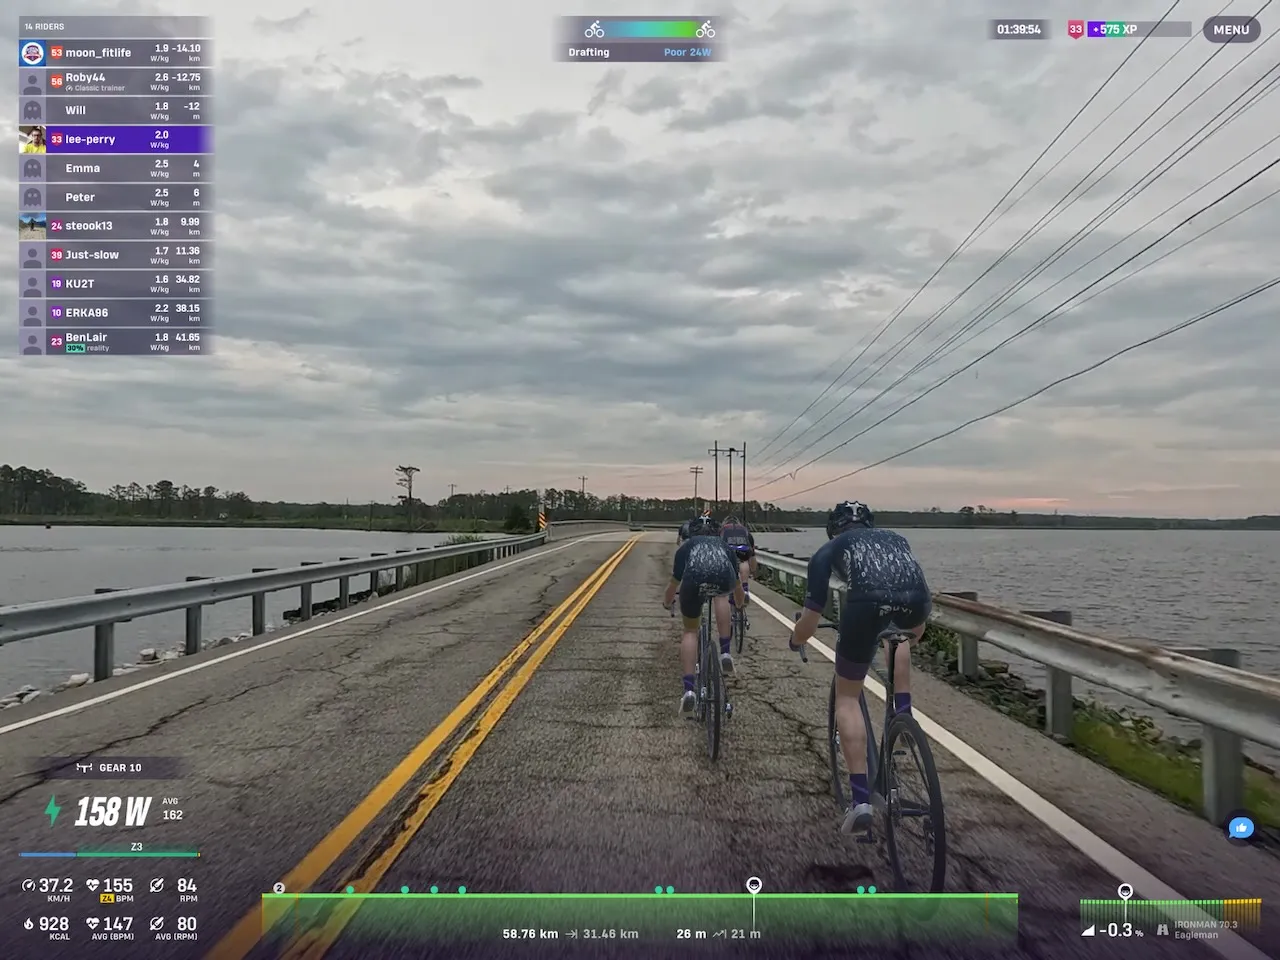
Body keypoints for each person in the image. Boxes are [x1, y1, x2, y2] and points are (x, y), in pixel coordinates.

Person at [788, 500, 931, 833]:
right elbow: (918, 614)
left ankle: (861, 802)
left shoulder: (829, 550)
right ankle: (902, 715)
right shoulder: (896, 540)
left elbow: (810, 620)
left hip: (864, 607)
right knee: (901, 638)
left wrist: (797, 641)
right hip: (916, 605)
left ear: (833, 529)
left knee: (848, 697)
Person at [663, 515, 745, 714]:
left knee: (690, 631)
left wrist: (667, 602)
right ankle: (725, 651)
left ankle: (689, 690)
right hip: (724, 580)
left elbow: (673, 585)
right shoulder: (725, 546)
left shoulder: (686, 547)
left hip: (693, 582)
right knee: (723, 598)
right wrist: (740, 604)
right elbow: (738, 586)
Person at [719, 515, 757, 608]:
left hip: (727, 552)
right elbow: (752, 555)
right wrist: (753, 570)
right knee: (744, 562)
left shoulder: (722, 530)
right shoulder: (745, 531)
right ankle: (745, 588)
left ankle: (728, 588)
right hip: (743, 551)